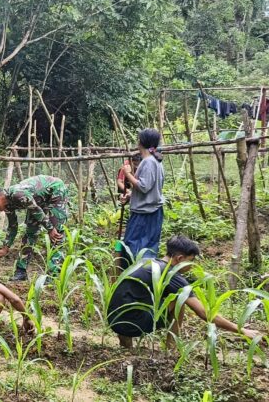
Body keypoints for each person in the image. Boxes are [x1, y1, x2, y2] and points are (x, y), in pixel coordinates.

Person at [107, 235, 261, 348]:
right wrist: (240, 330)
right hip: (133, 324)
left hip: (114, 319)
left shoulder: (145, 262)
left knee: (138, 298)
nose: (192, 266)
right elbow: (204, 313)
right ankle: (172, 347)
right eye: (191, 260)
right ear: (180, 258)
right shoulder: (172, 274)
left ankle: (125, 343)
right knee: (179, 300)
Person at [0, 175, 69, 281]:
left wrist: (50, 229)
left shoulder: (18, 194)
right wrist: (5, 247)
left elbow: (36, 209)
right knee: (30, 234)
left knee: (56, 234)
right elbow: (13, 227)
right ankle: (21, 271)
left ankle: (53, 275)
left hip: (55, 190)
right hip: (37, 201)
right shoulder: (7, 204)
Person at [119, 128, 164, 264]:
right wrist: (131, 196)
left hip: (144, 213)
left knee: (133, 246)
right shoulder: (155, 161)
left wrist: (127, 174)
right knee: (148, 247)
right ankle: (146, 277)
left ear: (141, 142)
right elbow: (151, 188)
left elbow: (144, 187)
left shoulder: (149, 161)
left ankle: (133, 277)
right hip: (152, 211)